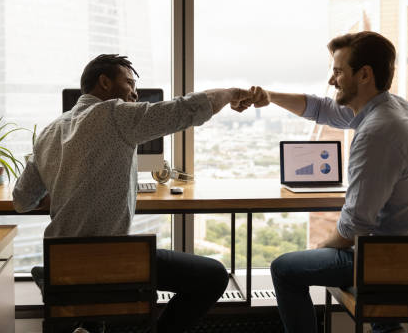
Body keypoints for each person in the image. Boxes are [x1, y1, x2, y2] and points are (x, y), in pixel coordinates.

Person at [13, 54, 252, 333]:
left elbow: (22, 200)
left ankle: (87, 326)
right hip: (110, 263)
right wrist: (232, 93)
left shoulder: (48, 131)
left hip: (63, 266)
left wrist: (64, 188)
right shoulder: (115, 114)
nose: (135, 93)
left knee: (93, 294)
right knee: (213, 276)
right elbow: (185, 109)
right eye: (129, 83)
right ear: (104, 82)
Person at [248, 31, 408, 333]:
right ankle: (387, 326)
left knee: (284, 269)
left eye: (338, 72)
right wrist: (271, 97)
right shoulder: (395, 108)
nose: (332, 80)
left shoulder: (376, 133)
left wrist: (321, 245)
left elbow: (354, 228)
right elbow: (323, 109)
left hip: (391, 262)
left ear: (364, 74)